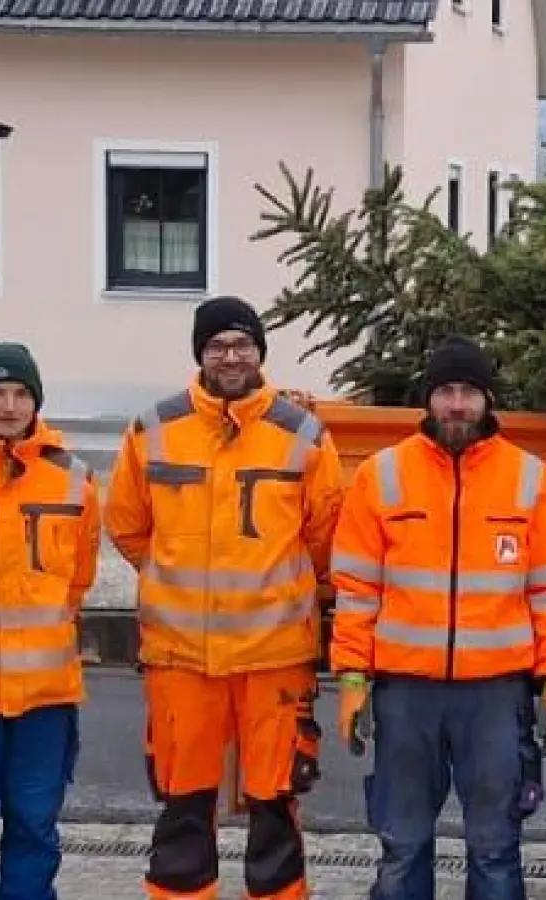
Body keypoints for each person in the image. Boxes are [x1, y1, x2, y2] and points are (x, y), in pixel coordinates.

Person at [104, 296, 344, 900]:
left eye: (242, 344)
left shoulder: (303, 434)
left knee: (275, 803)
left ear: (260, 352)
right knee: (183, 803)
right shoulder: (153, 431)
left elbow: (326, 536)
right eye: (217, 346)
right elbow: (128, 525)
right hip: (181, 658)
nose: (230, 356)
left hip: (274, 660)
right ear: (200, 355)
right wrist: (173, 576)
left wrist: (280, 590)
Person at [330, 335, 546, 900]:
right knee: (402, 847)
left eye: (469, 391)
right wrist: (351, 678)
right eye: (445, 391)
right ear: (427, 400)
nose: (457, 404)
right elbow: (355, 591)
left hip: (495, 697)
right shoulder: (382, 476)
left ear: (489, 399)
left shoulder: (533, 480)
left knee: (495, 850)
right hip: (406, 693)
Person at [0, 343, 99, 900]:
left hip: (44, 700)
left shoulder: (73, 480)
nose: (9, 406)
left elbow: (77, 579)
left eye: (21, 393)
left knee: (36, 830)